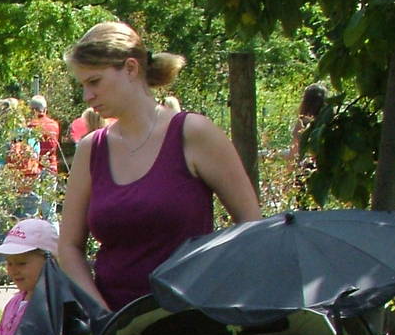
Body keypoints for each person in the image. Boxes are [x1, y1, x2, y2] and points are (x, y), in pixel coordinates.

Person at [59, 21, 261, 312]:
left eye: (94, 82)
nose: (87, 96)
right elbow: (68, 248)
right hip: (117, 332)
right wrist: (101, 315)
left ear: (130, 68)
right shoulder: (92, 148)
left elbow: (252, 226)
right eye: (83, 85)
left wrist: (220, 289)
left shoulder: (193, 132)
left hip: (190, 325)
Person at [25, 95, 61, 179]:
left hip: (34, 170)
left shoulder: (29, 126)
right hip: (51, 168)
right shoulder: (54, 125)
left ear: (31, 110)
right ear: (45, 109)